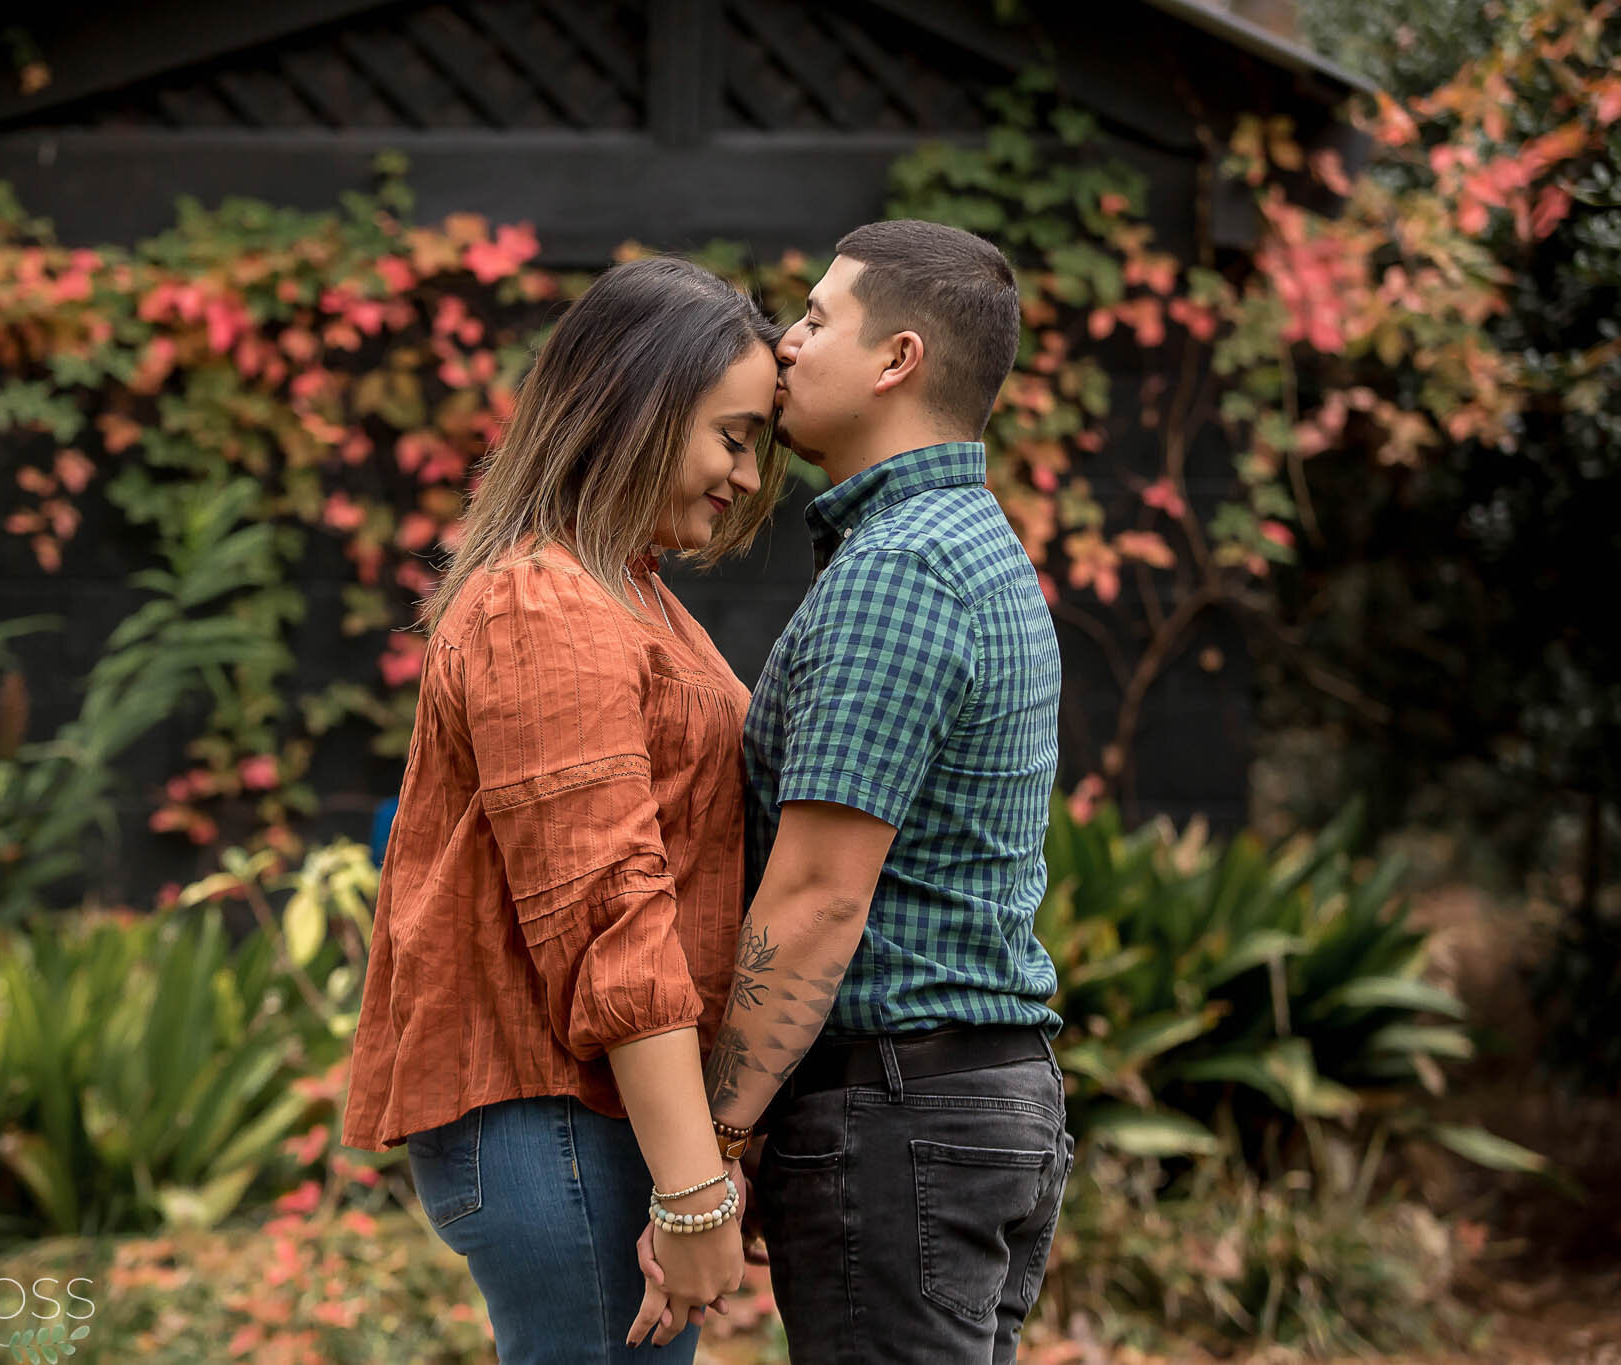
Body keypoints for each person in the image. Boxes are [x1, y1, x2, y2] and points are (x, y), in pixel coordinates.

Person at [341, 256, 788, 1362]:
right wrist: (693, 1192)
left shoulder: (622, 593)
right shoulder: (543, 602)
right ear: (639, 400)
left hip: (595, 1115)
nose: (745, 474)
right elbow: (609, 911)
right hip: (551, 1115)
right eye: (730, 435)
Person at [702, 220, 1073, 1363]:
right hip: (965, 1108)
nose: (784, 344)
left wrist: (713, 1142)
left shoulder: (900, 569)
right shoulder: (969, 545)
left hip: (899, 1114)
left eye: (815, 319)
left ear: (897, 359)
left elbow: (817, 898)